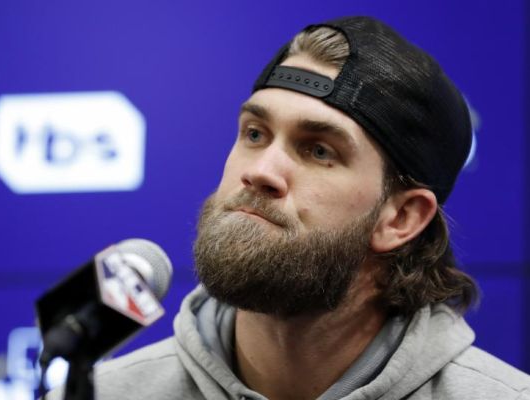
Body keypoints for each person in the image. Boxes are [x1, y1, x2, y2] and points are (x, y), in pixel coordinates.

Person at [49, 15, 530, 400]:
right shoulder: (106, 393)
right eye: (255, 134)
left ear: (400, 218)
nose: (261, 170)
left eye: (319, 150)